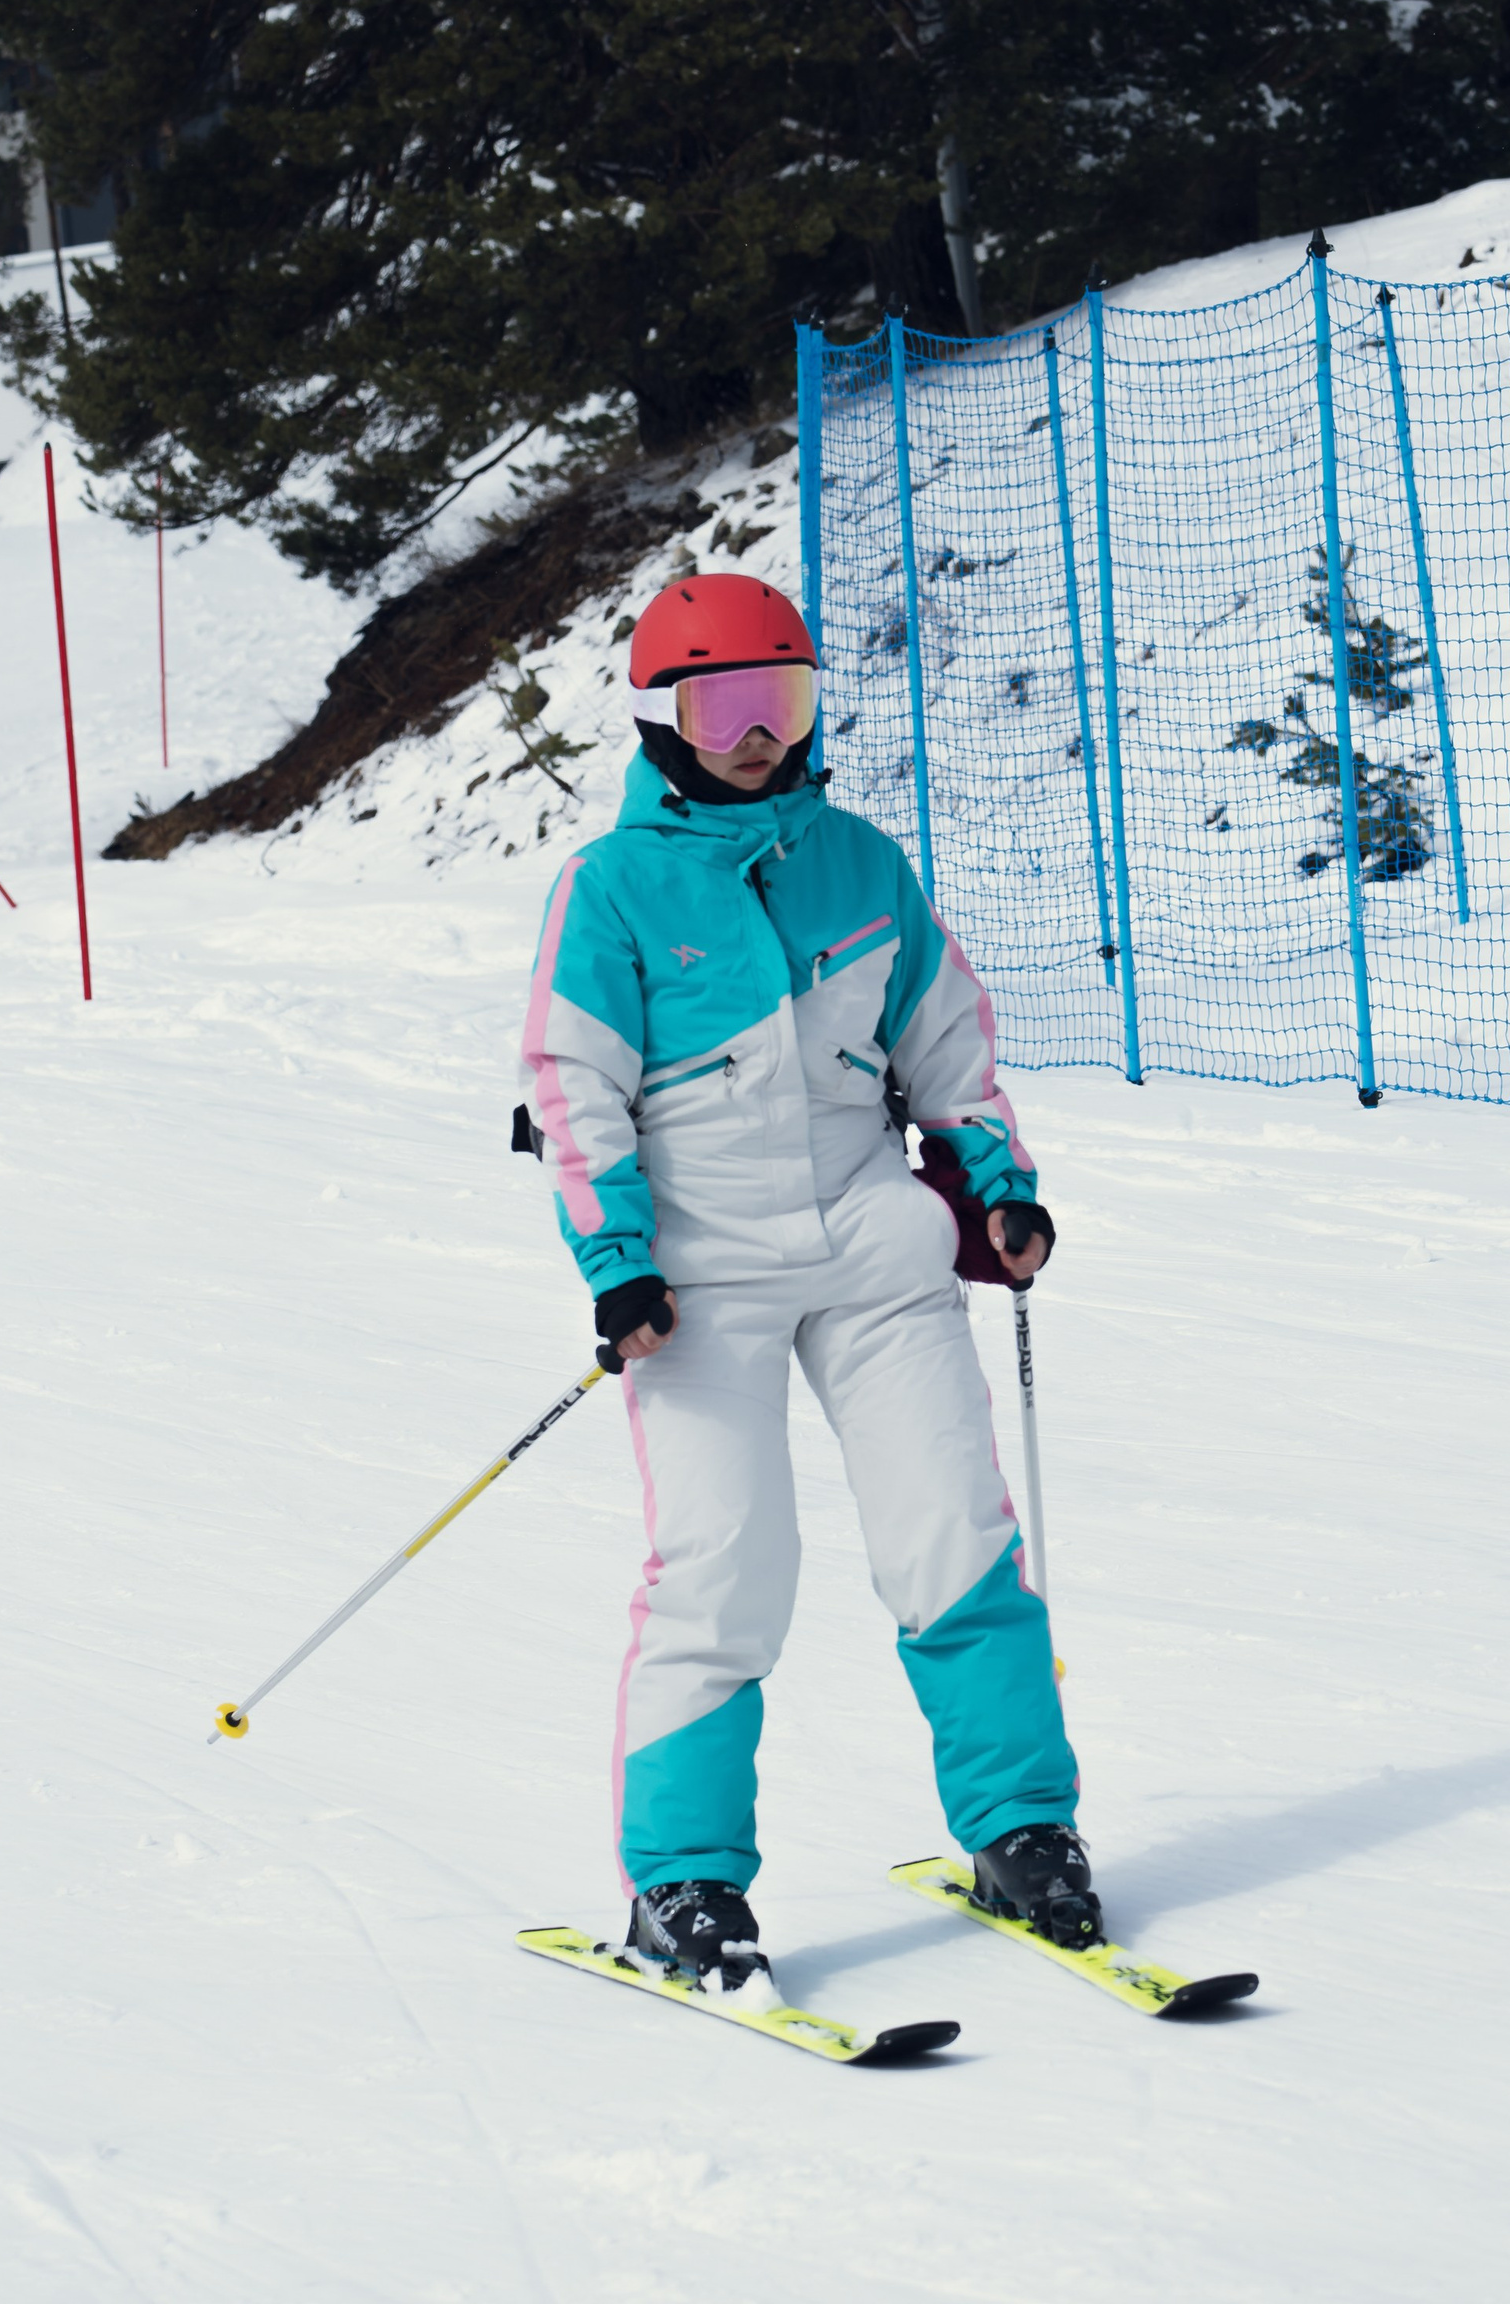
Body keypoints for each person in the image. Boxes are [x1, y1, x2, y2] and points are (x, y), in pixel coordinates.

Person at [520, 571, 1087, 2000]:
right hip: (700, 1276)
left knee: (953, 1535)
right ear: (664, 715)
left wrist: (1000, 1188)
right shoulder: (610, 890)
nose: (756, 734)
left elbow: (949, 1048)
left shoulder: (860, 862)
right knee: (724, 1572)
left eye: (780, 701)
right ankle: (684, 1883)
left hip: (869, 1250)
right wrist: (621, 1261)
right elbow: (572, 1090)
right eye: (723, 704)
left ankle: (1023, 1830)